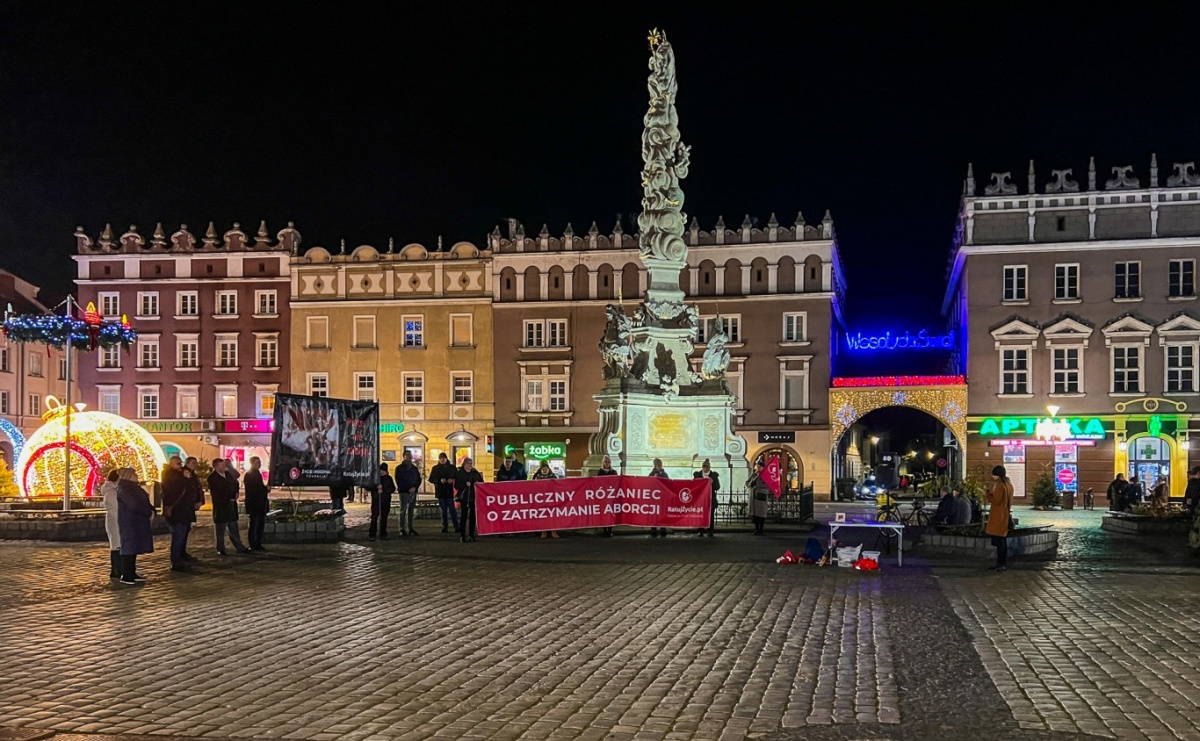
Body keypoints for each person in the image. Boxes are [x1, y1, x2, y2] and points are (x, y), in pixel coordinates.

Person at [116, 468, 155, 585]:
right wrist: (147, 512)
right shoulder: (125, 489)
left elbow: (143, 501)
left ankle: (132, 572)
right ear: (129, 476)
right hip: (130, 521)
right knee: (129, 545)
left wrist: (151, 510)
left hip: (137, 521)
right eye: (134, 474)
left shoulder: (133, 488)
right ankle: (126, 574)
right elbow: (134, 504)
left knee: (134, 546)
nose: (136, 476)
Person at [209, 458, 249, 555]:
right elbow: (219, 491)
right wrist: (229, 496)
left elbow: (235, 483)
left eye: (224, 464)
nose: (224, 466)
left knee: (233, 527)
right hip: (221, 505)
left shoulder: (227, 474)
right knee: (220, 529)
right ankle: (220, 548)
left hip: (231, 505)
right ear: (216, 466)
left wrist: (236, 493)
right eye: (222, 465)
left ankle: (239, 546)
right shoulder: (212, 478)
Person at [161, 456, 195, 570]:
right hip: (177, 511)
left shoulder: (179, 474)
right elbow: (174, 489)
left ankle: (181, 555)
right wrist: (184, 477)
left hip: (184, 510)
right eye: (177, 464)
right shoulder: (170, 475)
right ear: (171, 464)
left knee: (183, 533)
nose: (180, 466)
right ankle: (176, 560)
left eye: (181, 463)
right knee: (178, 535)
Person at [986, 465, 1014, 571]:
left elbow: (996, 501)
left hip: (998, 516)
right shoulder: (1009, 485)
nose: (993, 477)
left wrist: (989, 494)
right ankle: (1002, 563)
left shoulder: (1000, 486)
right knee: (1002, 541)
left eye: (994, 475)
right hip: (1005, 515)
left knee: (999, 542)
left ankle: (1001, 563)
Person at [455, 457, 484, 543]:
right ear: (464, 464)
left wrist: (477, 483)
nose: (470, 465)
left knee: (473, 517)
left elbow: (481, 482)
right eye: (468, 463)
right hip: (464, 498)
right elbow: (456, 485)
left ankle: (471, 535)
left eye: (471, 463)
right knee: (463, 516)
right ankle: (462, 535)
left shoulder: (475, 472)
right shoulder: (460, 473)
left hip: (473, 496)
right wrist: (464, 484)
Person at [243, 456, 270, 551]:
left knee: (259, 525)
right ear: (252, 463)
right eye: (257, 462)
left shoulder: (257, 474)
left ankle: (257, 543)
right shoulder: (250, 475)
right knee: (254, 524)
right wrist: (265, 489)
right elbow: (254, 490)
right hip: (254, 504)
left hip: (260, 504)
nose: (259, 464)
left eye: (259, 462)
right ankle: (253, 544)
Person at [430, 452, 460, 533]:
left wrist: (452, 479)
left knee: (452, 510)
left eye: (443, 458)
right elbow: (431, 479)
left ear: (446, 458)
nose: (442, 460)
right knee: (443, 510)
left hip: (450, 491)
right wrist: (439, 480)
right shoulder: (435, 468)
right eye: (440, 458)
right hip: (440, 491)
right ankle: (444, 526)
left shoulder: (452, 467)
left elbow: (457, 476)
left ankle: (456, 526)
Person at [395, 450, 423, 536]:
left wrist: (415, 487)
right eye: (407, 455)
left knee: (411, 510)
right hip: (404, 492)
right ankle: (402, 528)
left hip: (413, 491)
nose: (409, 457)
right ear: (403, 456)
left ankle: (410, 528)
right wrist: (408, 488)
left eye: (410, 455)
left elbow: (419, 479)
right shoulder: (399, 468)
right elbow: (399, 480)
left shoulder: (414, 468)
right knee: (403, 510)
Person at [532, 460, 560, 539]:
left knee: (553, 516)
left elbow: (558, 485)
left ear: (548, 469)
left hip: (551, 500)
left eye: (546, 469)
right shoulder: (536, 477)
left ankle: (553, 531)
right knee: (542, 515)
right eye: (543, 469)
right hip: (540, 500)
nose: (545, 471)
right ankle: (543, 532)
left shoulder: (553, 476)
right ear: (541, 470)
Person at [102, 469, 121, 579]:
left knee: (117, 544)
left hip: (114, 520)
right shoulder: (111, 492)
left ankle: (118, 569)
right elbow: (117, 507)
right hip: (115, 520)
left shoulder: (113, 490)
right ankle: (116, 570)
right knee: (116, 545)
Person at [694, 458, 720, 536]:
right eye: (704, 467)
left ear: (709, 467)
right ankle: (701, 530)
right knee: (700, 515)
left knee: (710, 515)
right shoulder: (698, 475)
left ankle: (710, 530)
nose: (705, 468)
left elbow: (717, 487)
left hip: (710, 498)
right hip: (701, 499)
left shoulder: (713, 476)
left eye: (707, 467)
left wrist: (712, 482)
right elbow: (694, 485)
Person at [371, 462, 397, 540]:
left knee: (384, 517)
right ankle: (372, 533)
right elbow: (369, 487)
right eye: (381, 470)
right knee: (375, 516)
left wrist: (384, 490)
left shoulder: (388, 478)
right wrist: (376, 488)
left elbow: (392, 488)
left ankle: (383, 533)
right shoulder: (375, 478)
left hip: (385, 500)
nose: (382, 472)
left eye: (383, 471)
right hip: (376, 500)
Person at [596, 454, 619, 537]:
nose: (607, 463)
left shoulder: (614, 472)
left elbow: (617, 482)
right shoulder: (600, 472)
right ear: (603, 463)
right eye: (606, 462)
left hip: (611, 496)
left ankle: (610, 530)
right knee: (604, 514)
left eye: (608, 462)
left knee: (611, 513)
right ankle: (604, 529)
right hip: (603, 496)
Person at [747, 460, 771, 535]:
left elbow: (767, 485)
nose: (758, 467)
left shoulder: (766, 475)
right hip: (754, 496)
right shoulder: (754, 474)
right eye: (757, 466)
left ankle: (761, 529)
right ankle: (756, 529)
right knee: (756, 514)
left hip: (762, 496)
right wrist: (750, 484)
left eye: (759, 466)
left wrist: (757, 485)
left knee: (762, 514)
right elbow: (747, 482)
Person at [649, 458, 670, 538]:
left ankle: (663, 528)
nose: (658, 466)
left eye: (659, 464)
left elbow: (667, 482)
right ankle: (653, 528)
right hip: (654, 496)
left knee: (662, 513)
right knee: (654, 513)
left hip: (662, 496)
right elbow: (648, 482)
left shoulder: (664, 474)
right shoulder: (652, 473)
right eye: (657, 465)